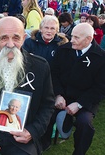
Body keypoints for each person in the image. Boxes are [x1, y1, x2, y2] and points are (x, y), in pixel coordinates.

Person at [0, 16, 55, 155]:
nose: (10, 44)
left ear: (24, 38)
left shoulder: (40, 67)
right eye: (4, 38)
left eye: (16, 38)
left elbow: (47, 105)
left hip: (22, 136)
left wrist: (32, 131)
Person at [42, 23, 105, 154]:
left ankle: (79, 152)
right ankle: (44, 142)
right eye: (72, 36)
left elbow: (100, 88)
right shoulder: (64, 50)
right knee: (45, 112)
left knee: (85, 123)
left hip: (85, 100)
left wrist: (80, 104)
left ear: (89, 39)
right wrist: (58, 94)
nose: (72, 40)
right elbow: (53, 74)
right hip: (62, 95)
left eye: (76, 37)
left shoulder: (101, 58)